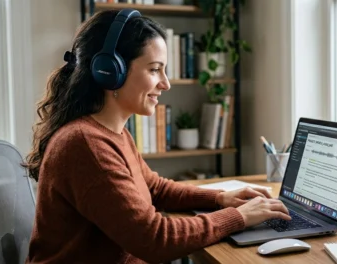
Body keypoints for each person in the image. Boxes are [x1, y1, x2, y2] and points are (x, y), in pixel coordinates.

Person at [22, 10, 291, 264]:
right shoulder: (85, 144)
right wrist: (238, 217)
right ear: (111, 71)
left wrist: (220, 198)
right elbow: (153, 238)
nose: (166, 83)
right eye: (154, 69)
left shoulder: (112, 133)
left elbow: (155, 189)